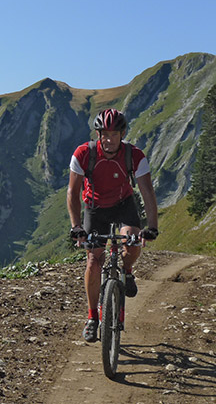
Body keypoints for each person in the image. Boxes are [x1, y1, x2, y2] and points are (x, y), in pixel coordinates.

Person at [66, 108, 160, 343]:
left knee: (133, 244)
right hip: (94, 208)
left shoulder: (134, 156)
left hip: (123, 203)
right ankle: (92, 318)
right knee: (94, 259)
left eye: (114, 134)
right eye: (104, 134)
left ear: (122, 133)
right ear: (98, 134)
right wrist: (76, 226)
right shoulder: (84, 154)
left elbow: (147, 192)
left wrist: (152, 226)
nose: (108, 140)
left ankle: (127, 270)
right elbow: (73, 192)